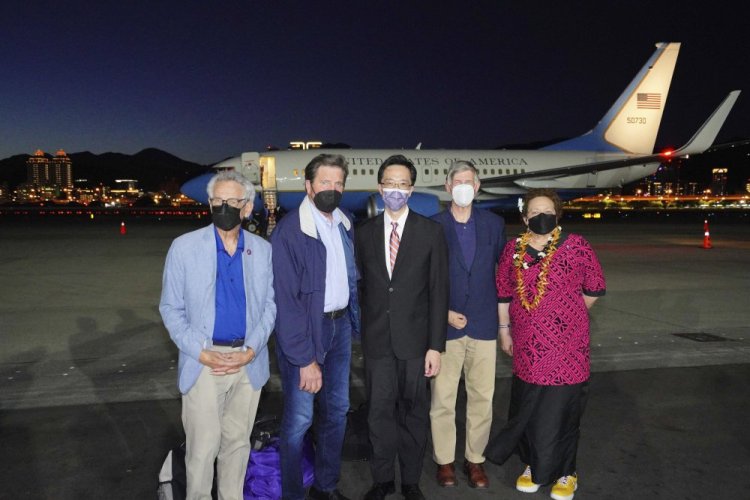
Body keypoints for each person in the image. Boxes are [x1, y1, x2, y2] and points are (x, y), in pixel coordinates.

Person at [159, 170, 276, 500]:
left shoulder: (262, 250)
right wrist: (200, 352)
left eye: (232, 201)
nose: (224, 207)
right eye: (217, 201)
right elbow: (170, 308)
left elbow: (270, 305)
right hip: (205, 363)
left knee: (237, 446)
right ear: (209, 204)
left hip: (247, 363)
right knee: (202, 450)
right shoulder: (183, 248)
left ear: (248, 207)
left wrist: (251, 350)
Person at [486, 188, 605, 500]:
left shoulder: (577, 246)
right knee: (529, 408)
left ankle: (567, 472)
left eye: (547, 211)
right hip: (527, 346)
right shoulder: (513, 250)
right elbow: (503, 293)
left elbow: (594, 288)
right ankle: (533, 466)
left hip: (568, 349)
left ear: (558, 215)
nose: (541, 216)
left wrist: (566, 317)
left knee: (563, 410)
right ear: (525, 217)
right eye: (535, 212)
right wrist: (504, 330)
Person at [355, 154, 449, 500]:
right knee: (379, 414)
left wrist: (435, 346)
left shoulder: (431, 232)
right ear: (380, 188)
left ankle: (410, 480)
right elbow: (363, 288)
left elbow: (439, 292)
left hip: (416, 344)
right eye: (389, 184)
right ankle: (382, 480)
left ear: (411, 189)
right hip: (378, 342)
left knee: (414, 414)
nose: (395, 190)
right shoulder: (363, 234)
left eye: (402, 184)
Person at [270, 153, 360, 500]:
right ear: (308, 186)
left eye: (339, 183)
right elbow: (287, 303)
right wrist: (305, 359)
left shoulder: (345, 222)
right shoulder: (291, 231)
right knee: (299, 421)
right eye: (325, 182)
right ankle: (294, 494)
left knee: (337, 411)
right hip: (307, 333)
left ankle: (325, 486)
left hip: (339, 331)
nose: (332, 189)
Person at [429, 160, 506, 489]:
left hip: (485, 325)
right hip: (446, 328)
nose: (463, 186)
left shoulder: (494, 224)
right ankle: (444, 461)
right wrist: (443, 311)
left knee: (481, 398)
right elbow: (424, 278)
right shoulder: (432, 226)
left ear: (477, 187)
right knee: (443, 399)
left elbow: (502, 275)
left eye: (469, 181)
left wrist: (505, 326)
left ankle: (475, 460)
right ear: (448, 187)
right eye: (457, 181)